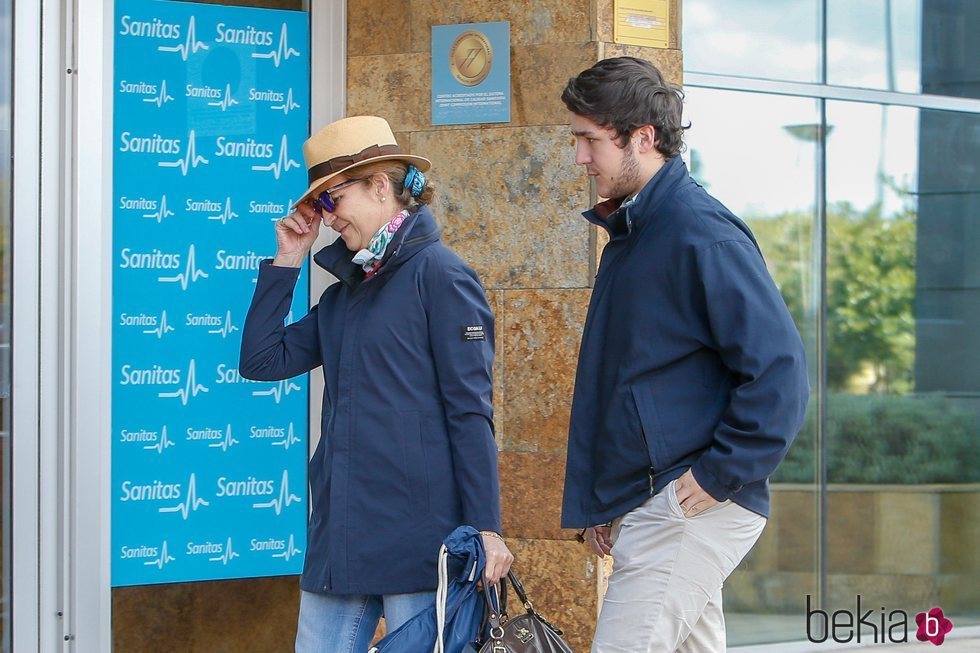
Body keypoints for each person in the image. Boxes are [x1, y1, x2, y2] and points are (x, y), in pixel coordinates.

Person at [559, 57, 810, 652]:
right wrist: (606, 496)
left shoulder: (700, 232)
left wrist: (719, 474)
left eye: (589, 140)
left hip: (687, 504)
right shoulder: (636, 230)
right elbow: (625, 380)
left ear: (642, 138)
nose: (580, 158)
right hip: (658, 498)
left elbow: (781, 373)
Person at [239, 115, 513, 653]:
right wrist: (288, 260)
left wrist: (486, 527)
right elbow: (261, 360)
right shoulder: (344, 295)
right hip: (340, 540)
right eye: (319, 204)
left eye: (331, 199)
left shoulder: (441, 275)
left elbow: (470, 413)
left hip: (419, 543)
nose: (326, 217)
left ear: (380, 186)